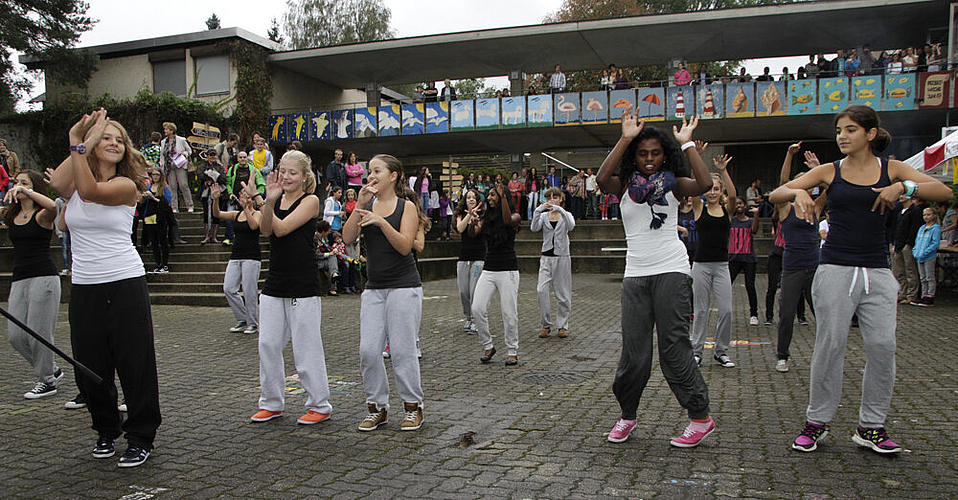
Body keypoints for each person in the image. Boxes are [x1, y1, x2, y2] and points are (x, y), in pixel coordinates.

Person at [769, 105, 951, 454]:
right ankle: (816, 423)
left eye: (850, 129)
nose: (842, 136)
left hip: (878, 272)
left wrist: (906, 187)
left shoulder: (892, 168)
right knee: (830, 346)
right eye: (839, 130)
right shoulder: (829, 170)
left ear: (870, 134)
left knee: (883, 347)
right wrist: (799, 192)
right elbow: (777, 194)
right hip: (835, 269)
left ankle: (871, 427)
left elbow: (941, 192)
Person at [596, 109, 715, 447]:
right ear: (635, 156)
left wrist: (687, 143)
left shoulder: (674, 184)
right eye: (643, 153)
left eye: (655, 153)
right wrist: (625, 138)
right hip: (635, 275)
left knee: (673, 349)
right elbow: (603, 180)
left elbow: (704, 184)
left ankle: (700, 417)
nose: (649, 159)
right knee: (634, 355)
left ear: (665, 155)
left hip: (672, 271)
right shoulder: (624, 186)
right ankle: (627, 415)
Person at [48, 108, 160, 467]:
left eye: (118, 139)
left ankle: (140, 435)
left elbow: (90, 190)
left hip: (124, 282)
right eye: (106, 138)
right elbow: (58, 185)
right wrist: (76, 140)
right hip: (84, 285)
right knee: (90, 365)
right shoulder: (77, 172)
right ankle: (105, 430)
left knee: (134, 363)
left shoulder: (126, 186)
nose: (112, 143)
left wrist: (86, 143)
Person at [247, 150, 333, 427]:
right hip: (275, 281)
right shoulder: (277, 198)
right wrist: (268, 202)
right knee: (268, 344)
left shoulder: (311, 200)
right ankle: (271, 403)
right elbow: (265, 229)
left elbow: (282, 229)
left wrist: (264, 201)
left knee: (306, 348)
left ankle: (320, 404)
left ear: (305, 176)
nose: (285, 176)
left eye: (292, 172)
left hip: (303, 282)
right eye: (282, 171)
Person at [342, 154, 425, 432]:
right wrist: (361, 206)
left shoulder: (407, 207)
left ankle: (414, 407)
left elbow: (405, 247)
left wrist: (380, 222)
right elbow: (347, 238)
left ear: (394, 176)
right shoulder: (367, 205)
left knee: (402, 351)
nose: (371, 175)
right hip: (374, 288)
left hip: (404, 286)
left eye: (377, 170)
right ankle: (377, 407)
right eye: (368, 171)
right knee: (368, 351)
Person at [3, 169, 63, 399]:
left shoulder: (41, 215)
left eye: (24, 183)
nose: (17, 186)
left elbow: (53, 207)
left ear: (33, 187)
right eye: (16, 182)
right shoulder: (12, 215)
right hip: (19, 278)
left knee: (39, 332)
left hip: (43, 277)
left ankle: (47, 381)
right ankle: (52, 369)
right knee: (16, 336)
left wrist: (27, 191)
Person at [774, 143, 827, 373]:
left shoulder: (815, 208)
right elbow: (783, 185)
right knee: (787, 314)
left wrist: (819, 169)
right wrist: (789, 154)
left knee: (822, 314)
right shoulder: (787, 208)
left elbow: (833, 187)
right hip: (793, 267)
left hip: (814, 266)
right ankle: (782, 356)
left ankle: (827, 355)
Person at [690, 154, 738, 368]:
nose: (712, 192)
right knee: (700, 311)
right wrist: (698, 158)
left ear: (721, 192)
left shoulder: (727, 210)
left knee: (726, 310)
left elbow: (735, 196)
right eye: (709, 188)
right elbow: (693, 187)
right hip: (700, 265)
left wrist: (723, 170)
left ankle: (721, 351)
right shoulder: (699, 208)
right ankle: (697, 351)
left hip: (721, 266)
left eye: (716, 189)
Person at [470, 180, 521, 366]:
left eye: (493, 195)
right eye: (489, 195)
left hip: (508, 269)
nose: (489, 198)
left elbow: (507, 221)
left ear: (502, 197)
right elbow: (473, 233)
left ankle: (512, 350)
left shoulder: (514, 216)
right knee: (477, 308)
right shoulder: (486, 218)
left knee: (509, 312)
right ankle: (488, 346)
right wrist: (472, 221)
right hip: (489, 269)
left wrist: (504, 198)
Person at [211, 182, 261, 334]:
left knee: (249, 290)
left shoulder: (257, 213)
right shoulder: (236, 214)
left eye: (247, 197)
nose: (245, 199)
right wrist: (215, 199)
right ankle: (243, 317)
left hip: (251, 257)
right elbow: (218, 214)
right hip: (236, 256)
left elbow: (254, 226)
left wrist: (246, 209)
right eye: (242, 196)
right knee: (228, 288)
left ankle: (253, 322)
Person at [531, 187, 575, 339]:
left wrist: (561, 211)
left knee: (562, 293)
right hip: (546, 257)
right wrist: (538, 211)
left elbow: (571, 226)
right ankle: (545, 324)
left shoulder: (566, 215)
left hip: (562, 256)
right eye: (549, 197)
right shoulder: (543, 216)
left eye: (555, 197)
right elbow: (534, 228)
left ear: (561, 199)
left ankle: (562, 325)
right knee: (541, 290)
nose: (552, 200)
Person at [455, 189, 486, 335]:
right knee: (463, 291)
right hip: (464, 257)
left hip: (478, 257)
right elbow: (460, 228)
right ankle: (468, 317)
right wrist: (469, 215)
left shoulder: (483, 215)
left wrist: (475, 219)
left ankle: (475, 320)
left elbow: (477, 231)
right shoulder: (461, 214)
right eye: (469, 197)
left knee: (474, 290)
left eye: (474, 197)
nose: (471, 200)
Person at [728, 196, 760, 325]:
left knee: (750, 286)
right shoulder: (730, 221)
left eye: (741, 203)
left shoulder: (750, 221)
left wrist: (757, 215)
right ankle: (725, 312)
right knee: (726, 286)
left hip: (748, 258)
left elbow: (755, 230)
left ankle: (754, 314)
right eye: (736, 204)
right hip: (733, 258)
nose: (738, 206)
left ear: (745, 205)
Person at [139, 168, 172, 272]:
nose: (155, 176)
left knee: (162, 240)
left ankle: (165, 264)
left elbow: (166, 203)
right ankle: (157, 263)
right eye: (153, 174)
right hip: (149, 215)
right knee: (153, 241)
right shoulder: (149, 187)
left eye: (157, 174)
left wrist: (153, 198)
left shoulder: (164, 188)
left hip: (160, 216)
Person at [159, 122, 193, 213]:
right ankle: (174, 207)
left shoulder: (181, 140)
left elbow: (189, 150)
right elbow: (162, 155)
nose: (165, 131)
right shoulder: (163, 142)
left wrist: (184, 154)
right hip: (169, 166)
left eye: (166, 129)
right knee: (172, 187)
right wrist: (162, 166)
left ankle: (189, 205)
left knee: (183, 185)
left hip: (180, 165)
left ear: (172, 130)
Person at [911, 207, 940, 306]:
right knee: (922, 277)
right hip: (919, 256)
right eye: (924, 215)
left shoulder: (935, 228)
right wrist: (915, 251)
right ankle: (924, 295)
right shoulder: (922, 228)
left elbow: (935, 243)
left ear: (934, 215)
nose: (926, 217)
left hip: (929, 256)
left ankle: (930, 295)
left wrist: (925, 252)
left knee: (929, 277)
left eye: (928, 214)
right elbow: (917, 242)